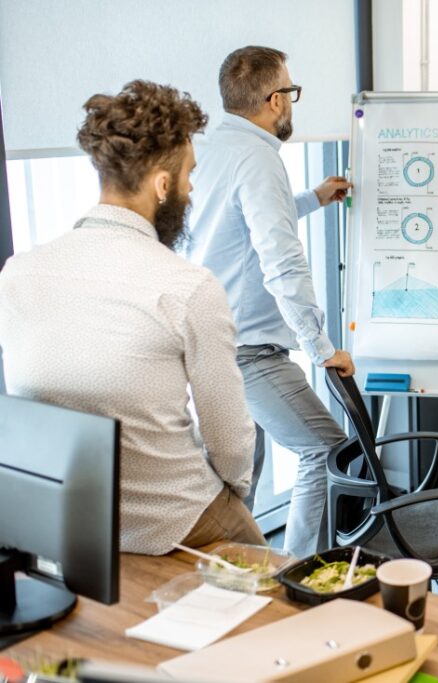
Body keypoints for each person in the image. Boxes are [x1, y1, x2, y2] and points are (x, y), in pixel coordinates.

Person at [0, 80, 263, 555]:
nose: (190, 189)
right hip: (177, 521)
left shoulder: (17, 275)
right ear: (162, 185)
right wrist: (232, 497)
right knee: (279, 606)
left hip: (66, 532)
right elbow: (231, 445)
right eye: (188, 176)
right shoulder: (187, 288)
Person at [185, 46, 355, 557]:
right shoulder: (259, 158)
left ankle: (237, 580)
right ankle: (298, 584)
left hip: (214, 341)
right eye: (292, 91)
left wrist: (313, 198)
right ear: (275, 99)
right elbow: (281, 260)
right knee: (324, 449)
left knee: (239, 476)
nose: (293, 102)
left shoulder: (213, 149)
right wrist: (322, 347)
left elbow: (234, 228)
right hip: (249, 350)